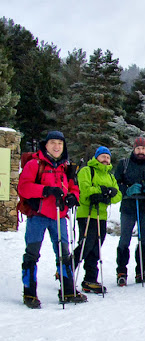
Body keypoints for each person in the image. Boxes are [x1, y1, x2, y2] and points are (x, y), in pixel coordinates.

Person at [17, 130, 86, 308]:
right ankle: (29, 293)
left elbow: (73, 187)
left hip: (59, 215)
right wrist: (45, 190)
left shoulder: (65, 167)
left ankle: (68, 290)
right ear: (46, 145)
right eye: (53, 143)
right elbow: (23, 187)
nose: (57, 147)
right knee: (32, 254)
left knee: (64, 254)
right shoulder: (35, 164)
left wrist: (73, 197)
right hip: (38, 216)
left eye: (60, 144)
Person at [74, 146, 122, 294]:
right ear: (97, 157)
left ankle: (90, 279)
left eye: (108, 157)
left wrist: (107, 194)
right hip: (86, 213)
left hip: (101, 215)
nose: (106, 159)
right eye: (103, 156)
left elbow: (118, 195)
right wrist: (102, 191)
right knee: (85, 244)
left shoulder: (110, 176)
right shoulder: (87, 170)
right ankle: (66, 269)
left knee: (96, 247)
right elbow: (85, 189)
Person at [113, 137, 145, 286]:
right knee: (125, 238)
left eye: (143, 149)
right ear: (133, 149)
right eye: (138, 148)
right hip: (128, 205)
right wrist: (127, 190)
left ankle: (141, 270)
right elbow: (116, 183)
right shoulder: (124, 164)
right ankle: (121, 271)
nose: (141, 151)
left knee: (144, 239)